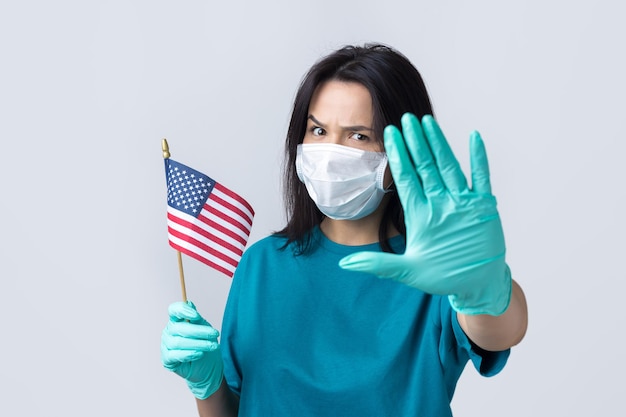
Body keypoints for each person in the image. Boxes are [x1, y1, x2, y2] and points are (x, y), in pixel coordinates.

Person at [161, 43, 528, 416]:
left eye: (358, 136)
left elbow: (503, 330)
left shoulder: (434, 270)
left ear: (400, 152)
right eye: (318, 130)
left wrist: (484, 288)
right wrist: (207, 384)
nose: (330, 153)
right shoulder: (262, 265)